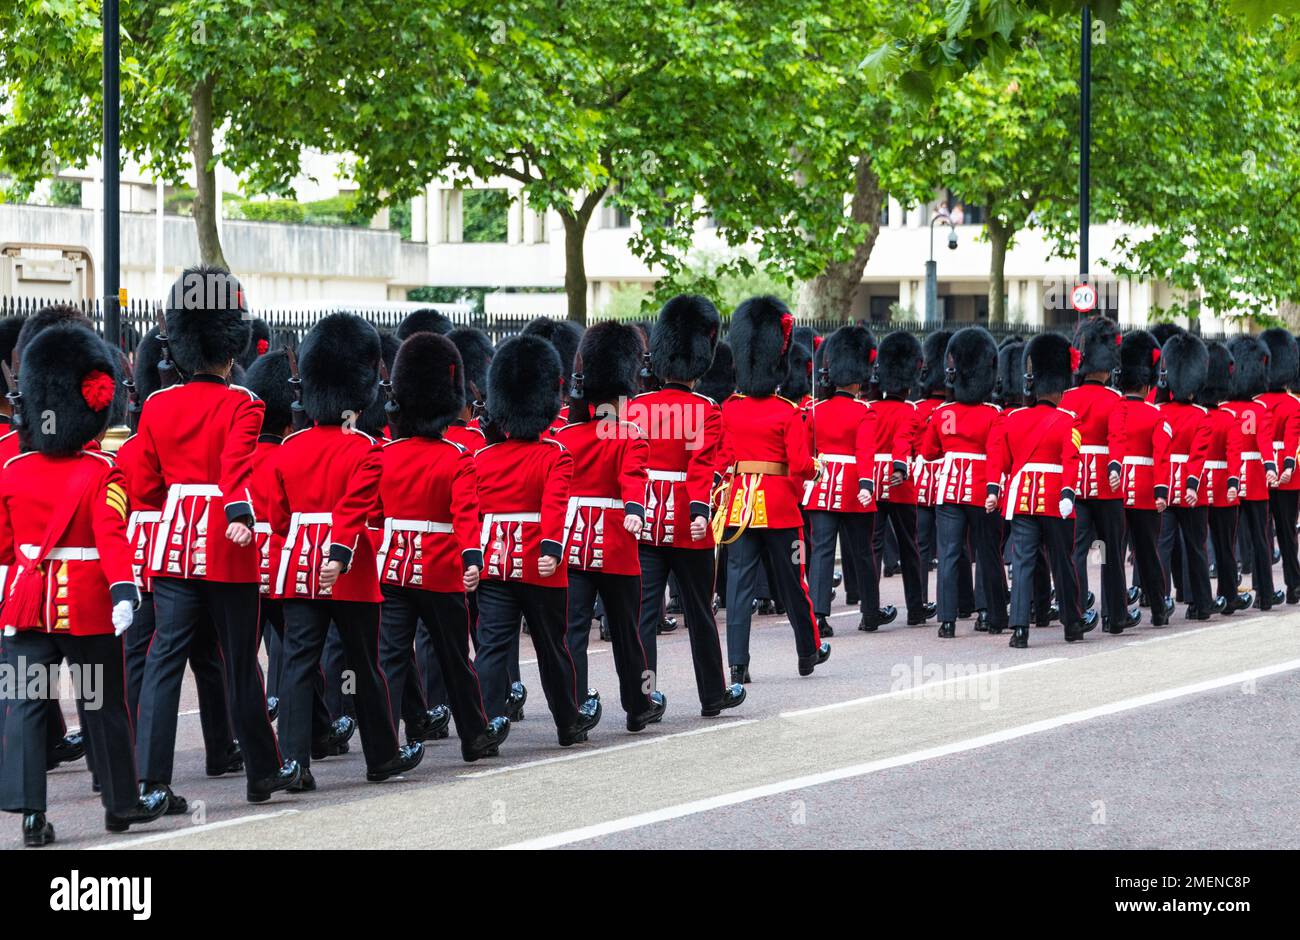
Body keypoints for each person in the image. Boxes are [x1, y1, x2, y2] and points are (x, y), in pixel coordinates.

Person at [132, 266, 300, 807]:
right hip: (229, 544)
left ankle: (151, 781)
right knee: (237, 661)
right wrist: (235, 513)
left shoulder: (157, 406)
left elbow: (148, 483)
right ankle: (261, 772)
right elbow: (235, 469)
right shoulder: (244, 404)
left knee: (164, 657)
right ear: (231, 347)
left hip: (173, 541)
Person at [0, 323, 170, 846]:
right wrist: (124, 589)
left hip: (27, 604)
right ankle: (119, 805)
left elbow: (6, 548)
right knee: (101, 704)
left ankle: (31, 814)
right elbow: (111, 536)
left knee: (27, 705)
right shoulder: (103, 472)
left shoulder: (14, 470)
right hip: (89, 606)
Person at [268, 313, 426, 790]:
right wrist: (338, 552)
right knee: (366, 664)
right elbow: (358, 506)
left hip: (298, 562)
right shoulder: (365, 448)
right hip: (349, 568)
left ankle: (294, 763)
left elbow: (277, 518)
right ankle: (381, 756)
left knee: (297, 664)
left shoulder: (289, 447)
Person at [376, 331, 510, 761]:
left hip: (393, 567)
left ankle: (383, 749)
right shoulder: (456, 457)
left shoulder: (384, 454)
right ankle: (475, 735)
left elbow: (374, 516)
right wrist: (472, 558)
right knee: (455, 658)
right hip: (439, 568)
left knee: (392, 659)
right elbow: (465, 514)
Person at [118, 327, 242, 783]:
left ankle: (137, 753)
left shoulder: (131, 443)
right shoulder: (228, 407)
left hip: (153, 552)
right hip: (196, 545)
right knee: (207, 656)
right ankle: (221, 747)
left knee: (149, 655)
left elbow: (147, 490)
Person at [474, 334, 601, 745]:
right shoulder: (555, 454)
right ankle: (567, 722)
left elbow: (473, 512)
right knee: (552, 646)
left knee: (492, 647)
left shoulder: (482, 457)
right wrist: (550, 547)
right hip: (538, 562)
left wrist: (473, 558)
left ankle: (486, 727)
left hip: (494, 561)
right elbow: (555, 506)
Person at [630, 297, 744, 717]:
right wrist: (699, 511)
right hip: (686, 522)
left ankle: (642, 699)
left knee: (643, 615)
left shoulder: (636, 408)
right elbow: (701, 464)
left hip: (643, 520)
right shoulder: (705, 410)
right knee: (699, 611)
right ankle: (712, 695)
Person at [243, 349, 356, 762]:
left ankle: (311, 733)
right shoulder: (294, 450)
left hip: (243, 566)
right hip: (285, 564)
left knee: (255, 658)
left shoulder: (247, 452)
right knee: (299, 653)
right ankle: (306, 738)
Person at [555, 322, 666, 732]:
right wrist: (635, 509)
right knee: (627, 632)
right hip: (617, 543)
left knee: (574, 632)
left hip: (571, 542)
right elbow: (633, 476)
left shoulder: (564, 436)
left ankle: (574, 710)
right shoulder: (629, 434)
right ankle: (638, 705)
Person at [716, 296, 830, 682]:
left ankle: (737, 665)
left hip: (739, 506)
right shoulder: (787, 411)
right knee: (793, 583)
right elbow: (799, 464)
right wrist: (815, 470)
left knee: (738, 587)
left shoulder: (729, 408)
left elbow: (723, 460)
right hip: (779, 506)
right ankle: (807, 651)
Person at [986, 332, 1095, 649]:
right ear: (1060, 385)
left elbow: (1002, 462)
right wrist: (1067, 493)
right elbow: (1070, 460)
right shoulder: (1068, 420)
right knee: (1064, 561)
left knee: (1022, 564)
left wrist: (994, 490)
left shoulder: (1014, 418)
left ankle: (1020, 629)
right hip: (1053, 501)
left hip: (1021, 499)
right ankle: (1072, 624)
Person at [803, 324, 895, 635]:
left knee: (823, 552)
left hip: (821, 486)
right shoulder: (864, 412)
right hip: (854, 487)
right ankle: (870, 613)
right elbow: (864, 450)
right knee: (862, 554)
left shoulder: (816, 410)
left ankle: (818, 616)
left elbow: (808, 450)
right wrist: (867, 484)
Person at [921, 327, 1008, 638]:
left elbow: (929, 452)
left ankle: (947, 620)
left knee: (948, 553)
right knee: (986, 552)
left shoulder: (943, 413)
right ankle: (988, 613)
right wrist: (994, 490)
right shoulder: (993, 414)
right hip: (982, 489)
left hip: (948, 490)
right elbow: (996, 455)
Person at [1062, 316, 1140, 633]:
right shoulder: (1114, 400)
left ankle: (1078, 613)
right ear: (1107, 365)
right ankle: (1115, 616)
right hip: (1107, 487)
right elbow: (1117, 438)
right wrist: (1115, 467)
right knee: (1110, 552)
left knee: (1078, 552)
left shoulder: (1067, 398)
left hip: (1076, 483)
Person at [1106, 330, 1173, 627]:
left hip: (1115, 489)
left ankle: (1113, 613)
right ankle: (1159, 609)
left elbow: (1114, 442)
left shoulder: (1114, 408)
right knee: (1148, 553)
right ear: (1147, 383)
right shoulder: (1155, 414)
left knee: (1113, 555)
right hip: (1146, 489)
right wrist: (1161, 490)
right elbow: (1161, 454)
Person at [868, 331, 934, 626]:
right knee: (910, 546)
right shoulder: (911, 411)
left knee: (874, 548)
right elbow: (909, 444)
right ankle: (916, 609)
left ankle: (870, 613)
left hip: (871, 482)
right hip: (900, 483)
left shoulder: (869, 409)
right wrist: (900, 466)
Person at [1157, 332, 1220, 620]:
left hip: (1165, 486)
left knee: (1163, 547)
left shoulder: (1159, 412)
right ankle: (1201, 604)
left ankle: (1161, 604)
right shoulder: (1200, 415)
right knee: (1196, 548)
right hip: (1191, 488)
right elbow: (1199, 454)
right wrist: (1192, 484)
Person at [1224, 334, 1284, 610]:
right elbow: (1265, 443)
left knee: (1228, 538)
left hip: (1230, 477)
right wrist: (1271, 468)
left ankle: (1227, 593)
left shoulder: (1224, 409)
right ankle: (1265, 594)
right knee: (1261, 538)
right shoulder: (1259, 409)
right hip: (1257, 477)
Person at [1198, 342, 1253, 613]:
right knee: (1225, 547)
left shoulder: (1197, 416)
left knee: (1196, 546)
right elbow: (1234, 454)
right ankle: (1229, 596)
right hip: (1222, 487)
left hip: (1196, 484)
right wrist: (1234, 483)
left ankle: (1197, 597)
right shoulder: (1228, 418)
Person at [1255, 328, 1300, 604]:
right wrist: (1285, 468)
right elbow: (1291, 440)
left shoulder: (1257, 404)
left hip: (1260, 474)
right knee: (1287, 533)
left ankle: (1263, 591)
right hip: (1288, 477)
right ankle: (1294, 584)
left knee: (1262, 535)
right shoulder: (1292, 405)